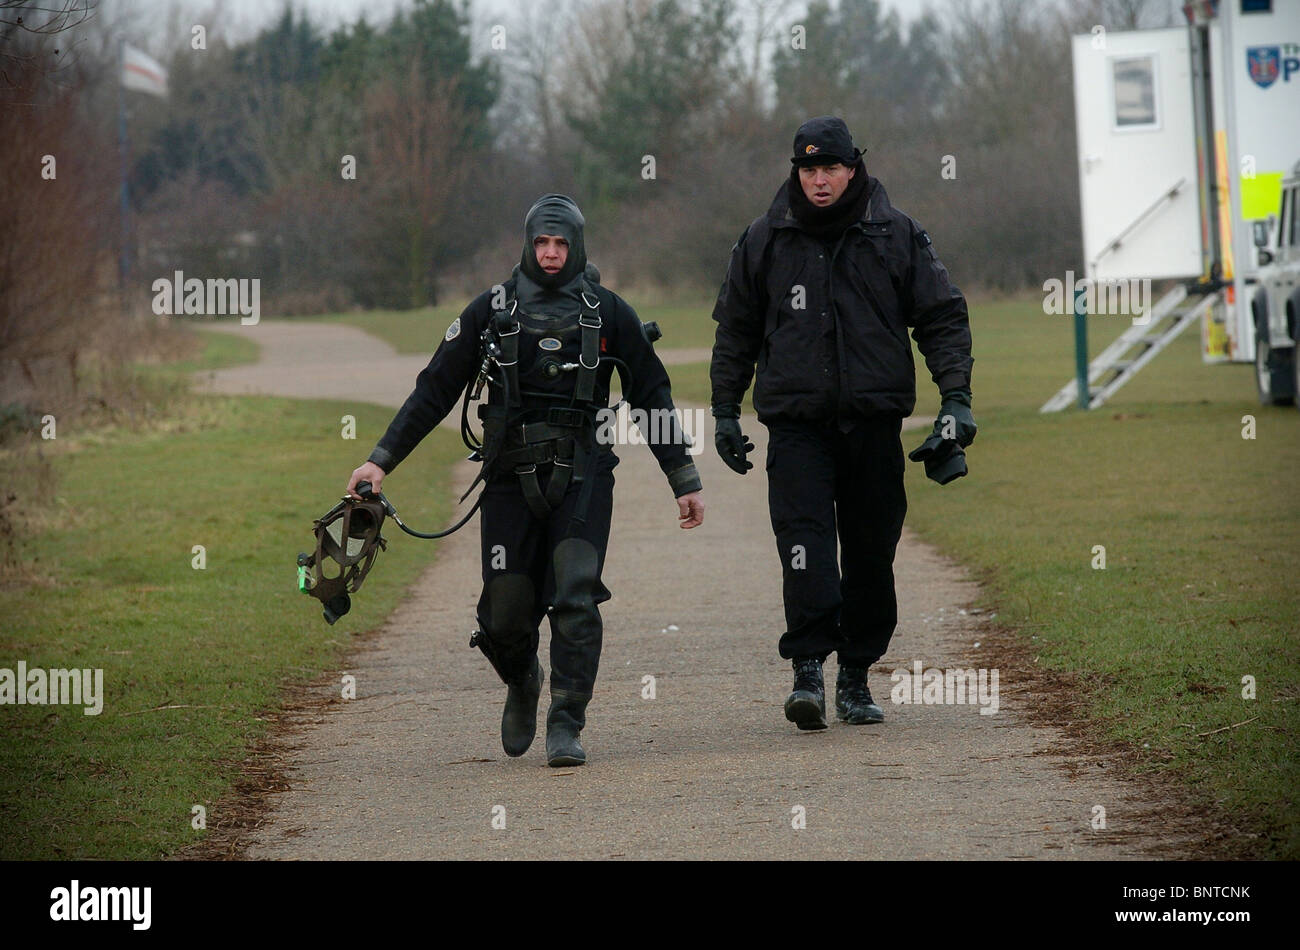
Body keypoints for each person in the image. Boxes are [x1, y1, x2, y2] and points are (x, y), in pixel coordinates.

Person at [348, 194, 704, 765]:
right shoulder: (491, 310)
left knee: (575, 591)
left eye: (562, 243)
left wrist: (682, 476)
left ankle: (566, 723)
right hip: (509, 474)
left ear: (578, 245)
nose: (551, 254)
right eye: (542, 242)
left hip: (585, 472)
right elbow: (434, 389)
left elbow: (652, 395)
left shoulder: (610, 311)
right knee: (506, 609)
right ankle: (522, 677)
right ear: (527, 243)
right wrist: (380, 459)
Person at [709, 116, 974, 731]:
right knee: (803, 548)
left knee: (870, 556)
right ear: (795, 172)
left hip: (873, 423)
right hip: (797, 426)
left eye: (830, 168)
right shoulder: (764, 239)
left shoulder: (896, 233)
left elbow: (941, 316)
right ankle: (807, 670)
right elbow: (736, 333)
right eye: (807, 169)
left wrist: (955, 399)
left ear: (853, 168)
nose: (819, 180)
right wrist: (725, 410)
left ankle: (855, 675)